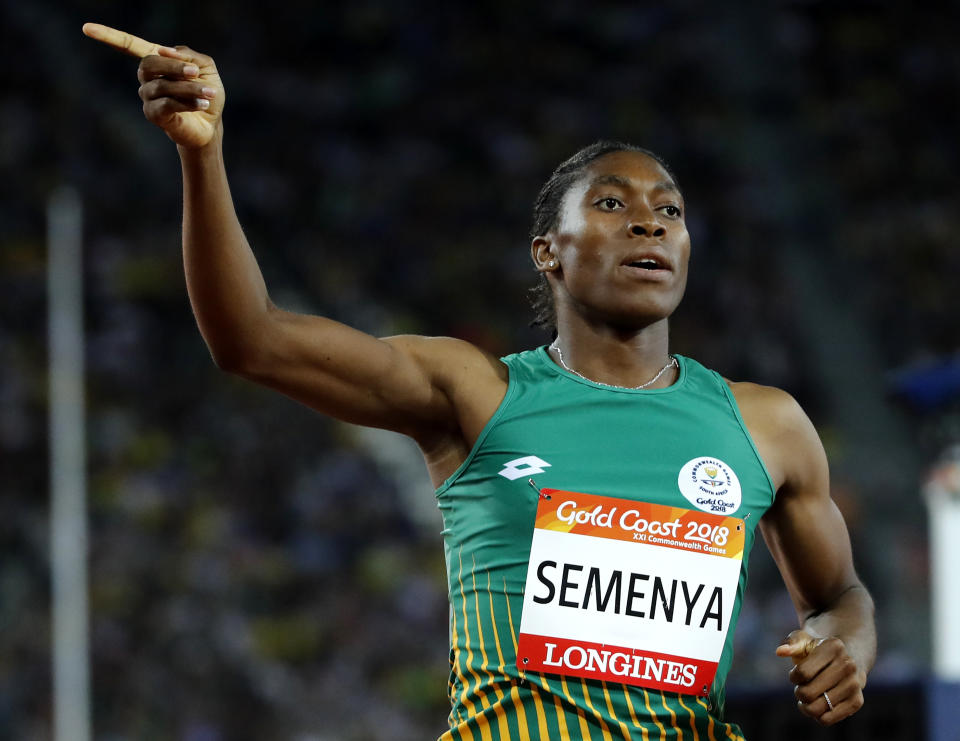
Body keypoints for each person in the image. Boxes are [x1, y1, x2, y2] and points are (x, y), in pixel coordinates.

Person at [83, 23, 876, 740]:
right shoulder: (477, 392)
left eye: (669, 210)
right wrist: (203, 152)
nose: (650, 222)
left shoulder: (765, 424)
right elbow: (251, 338)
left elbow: (841, 596)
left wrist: (843, 647)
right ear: (548, 251)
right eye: (611, 203)